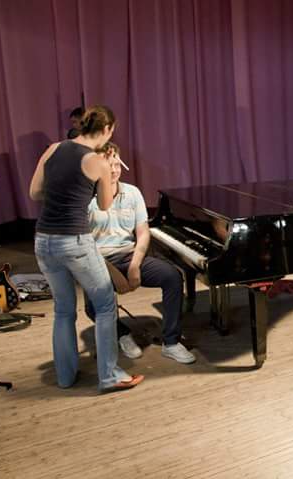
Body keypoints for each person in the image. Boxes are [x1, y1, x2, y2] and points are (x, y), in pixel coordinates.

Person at [30, 105, 144, 392]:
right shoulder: (98, 161)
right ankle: (110, 376)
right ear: (106, 129)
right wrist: (100, 173)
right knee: (105, 305)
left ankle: (65, 377)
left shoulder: (54, 148)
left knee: (63, 310)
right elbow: (105, 205)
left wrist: (63, 191)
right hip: (75, 240)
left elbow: (34, 192)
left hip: (43, 240)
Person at [85, 142, 195, 364]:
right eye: (108, 165)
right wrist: (115, 275)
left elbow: (143, 233)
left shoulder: (132, 192)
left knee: (172, 277)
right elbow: (85, 244)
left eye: (117, 164)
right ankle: (122, 334)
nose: (113, 170)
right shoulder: (85, 198)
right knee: (92, 306)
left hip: (129, 255)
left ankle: (171, 342)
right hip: (98, 261)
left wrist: (135, 265)